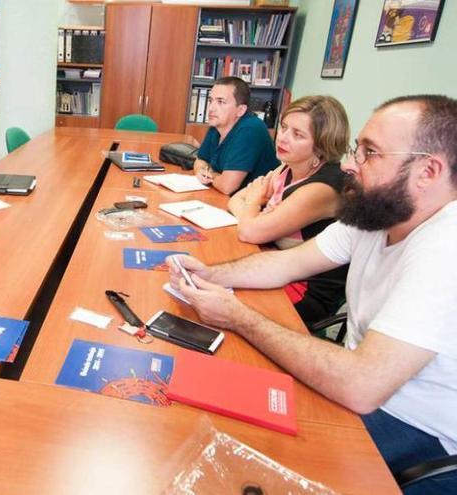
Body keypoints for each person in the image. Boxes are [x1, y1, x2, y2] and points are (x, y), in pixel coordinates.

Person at [168, 94, 457, 493]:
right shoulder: (377, 213)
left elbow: (361, 385)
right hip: (360, 388)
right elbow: (286, 263)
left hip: (415, 431)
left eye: (370, 153)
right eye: (358, 147)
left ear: (428, 171)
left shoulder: (445, 249)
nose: (352, 163)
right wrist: (211, 274)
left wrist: (238, 316)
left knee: (235, 453)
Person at [227, 95, 350, 325]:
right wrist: (253, 216)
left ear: (322, 146)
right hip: (277, 263)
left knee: (226, 306)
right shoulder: (288, 167)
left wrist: (254, 205)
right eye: (284, 128)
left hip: (306, 289)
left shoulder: (322, 188)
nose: (283, 138)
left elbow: (249, 231)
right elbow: (235, 199)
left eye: (298, 134)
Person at [193, 76, 279, 195]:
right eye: (210, 100)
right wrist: (202, 171)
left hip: (255, 207)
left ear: (240, 110)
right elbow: (200, 160)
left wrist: (210, 174)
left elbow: (227, 186)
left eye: (221, 102)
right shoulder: (217, 124)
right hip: (227, 198)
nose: (211, 108)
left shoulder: (251, 129)